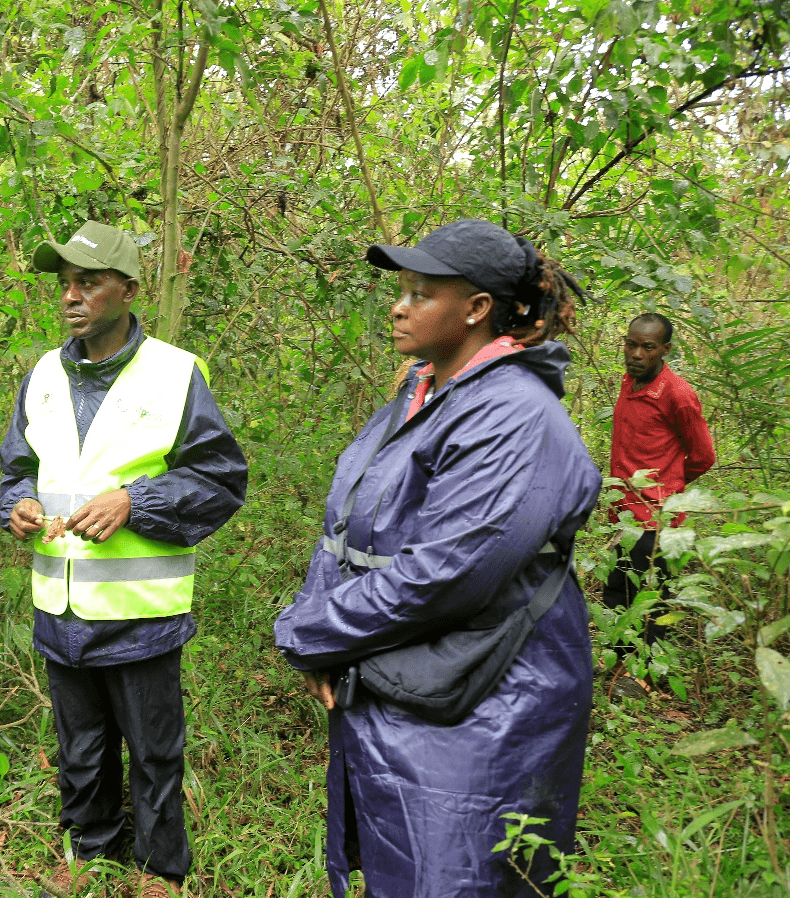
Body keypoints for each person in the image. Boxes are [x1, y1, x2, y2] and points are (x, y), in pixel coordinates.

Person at [274, 219, 601, 897]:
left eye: (422, 292)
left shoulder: (514, 415)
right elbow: (350, 531)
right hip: (403, 686)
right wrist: (319, 634)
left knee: (456, 875)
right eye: (402, 290)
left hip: (483, 710)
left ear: (477, 308)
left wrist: (306, 634)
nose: (399, 305)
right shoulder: (421, 395)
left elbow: (447, 572)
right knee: (400, 871)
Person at [0, 221, 247, 898]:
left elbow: (221, 480)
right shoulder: (44, 375)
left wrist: (135, 502)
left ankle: (160, 868)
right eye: (65, 284)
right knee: (80, 747)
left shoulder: (175, 372)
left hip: (141, 613)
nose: (72, 296)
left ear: (129, 290)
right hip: (61, 606)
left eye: (89, 282)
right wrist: (16, 505)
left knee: (154, 749)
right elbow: (15, 470)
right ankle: (91, 852)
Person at [604, 312, 715, 648]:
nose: (637, 354)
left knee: (650, 601)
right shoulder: (628, 381)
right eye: (631, 345)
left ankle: (644, 677)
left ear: (665, 349)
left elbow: (703, 456)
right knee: (616, 594)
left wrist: (669, 488)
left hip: (656, 521)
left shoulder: (678, 395)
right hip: (621, 517)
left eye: (647, 347)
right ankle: (618, 668)